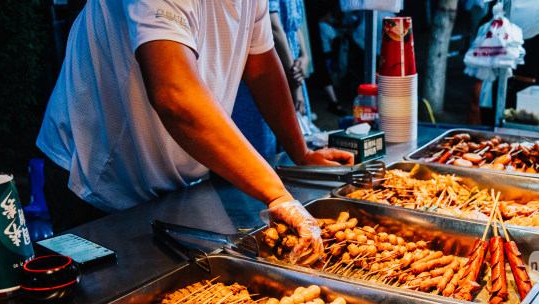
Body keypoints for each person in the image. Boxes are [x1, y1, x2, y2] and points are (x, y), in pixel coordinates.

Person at [36, 0, 352, 262]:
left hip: (172, 182)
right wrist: (277, 193)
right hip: (97, 176)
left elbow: (262, 68)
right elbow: (174, 94)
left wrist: (302, 152)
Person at [233, 0, 313, 157]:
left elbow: (294, 26)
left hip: (292, 72)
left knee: (291, 148)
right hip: (270, 74)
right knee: (261, 152)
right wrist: (295, 84)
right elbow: (273, 28)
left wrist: (305, 57)